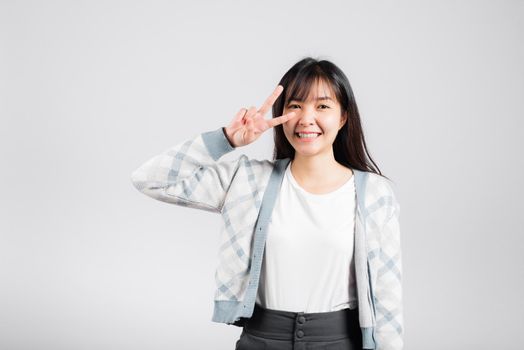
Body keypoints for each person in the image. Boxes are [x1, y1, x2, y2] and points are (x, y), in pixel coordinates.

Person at [131, 57, 403, 350]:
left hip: (339, 342)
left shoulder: (374, 193)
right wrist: (227, 140)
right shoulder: (248, 181)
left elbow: (387, 298)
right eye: (295, 105)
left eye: (322, 106)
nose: (306, 118)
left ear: (343, 117)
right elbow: (149, 179)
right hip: (261, 341)